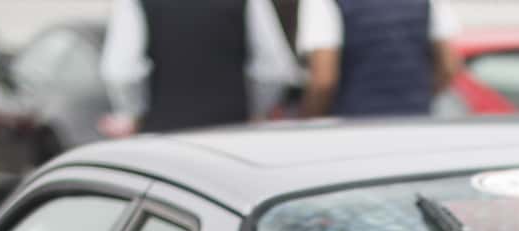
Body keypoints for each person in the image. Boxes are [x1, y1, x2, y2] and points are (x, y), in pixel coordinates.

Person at [100, 0, 300, 136]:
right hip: (233, 132)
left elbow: (121, 72)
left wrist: (135, 114)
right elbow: (272, 69)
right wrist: (256, 111)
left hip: (165, 135)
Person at [296, 0, 461, 119]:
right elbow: (449, 67)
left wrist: (308, 123)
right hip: (415, 122)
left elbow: (324, 81)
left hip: (353, 127)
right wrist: (414, 97)